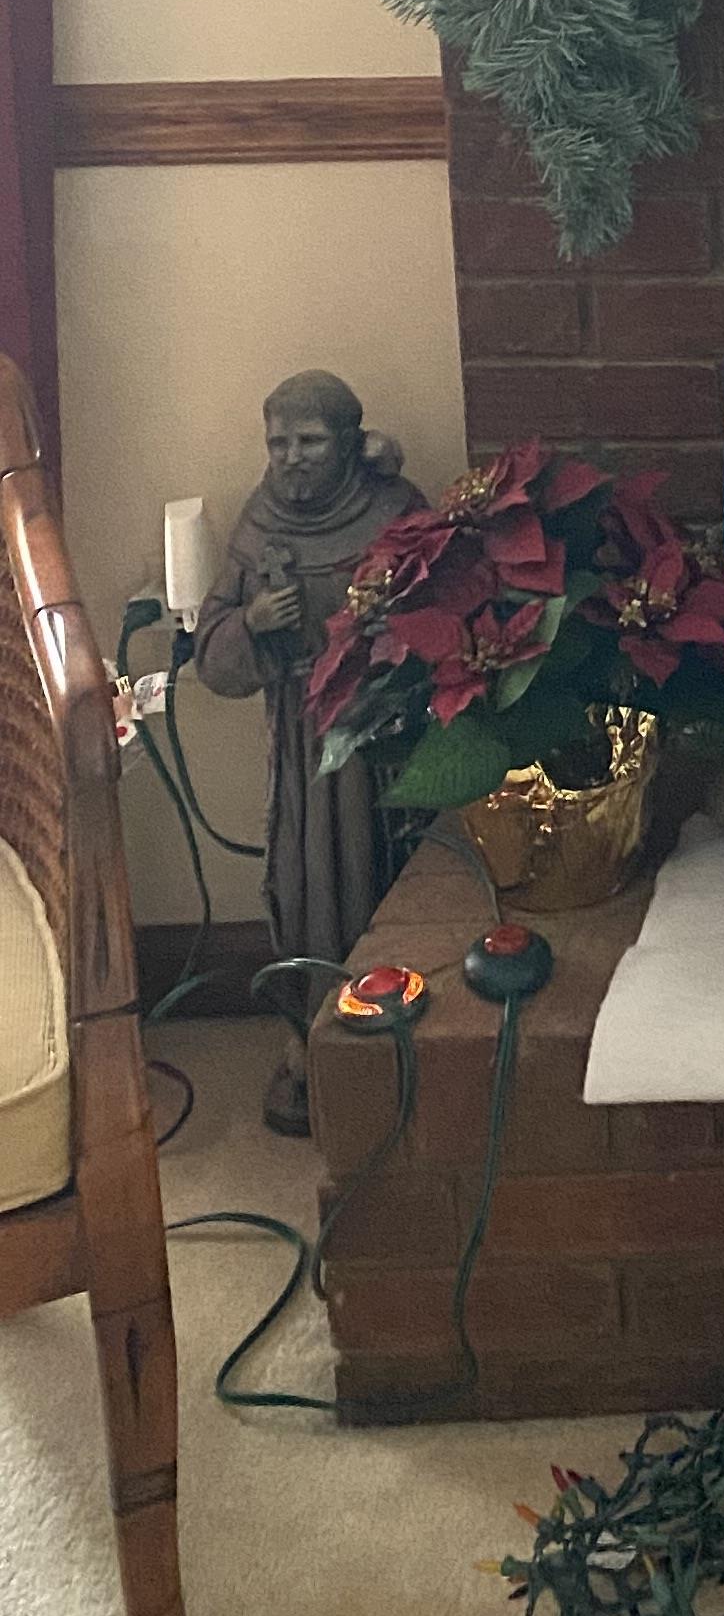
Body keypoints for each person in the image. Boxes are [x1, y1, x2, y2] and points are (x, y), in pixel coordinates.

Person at [191, 371, 413, 1133]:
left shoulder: (394, 509)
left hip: (384, 737)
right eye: (277, 441)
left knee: (384, 869)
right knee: (306, 878)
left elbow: (446, 602)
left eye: (310, 440)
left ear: (350, 443)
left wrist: (385, 631)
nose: (291, 457)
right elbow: (211, 651)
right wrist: (251, 622)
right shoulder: (261, 524)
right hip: (300, 739)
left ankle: (394, 1028)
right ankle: (312, 1035)